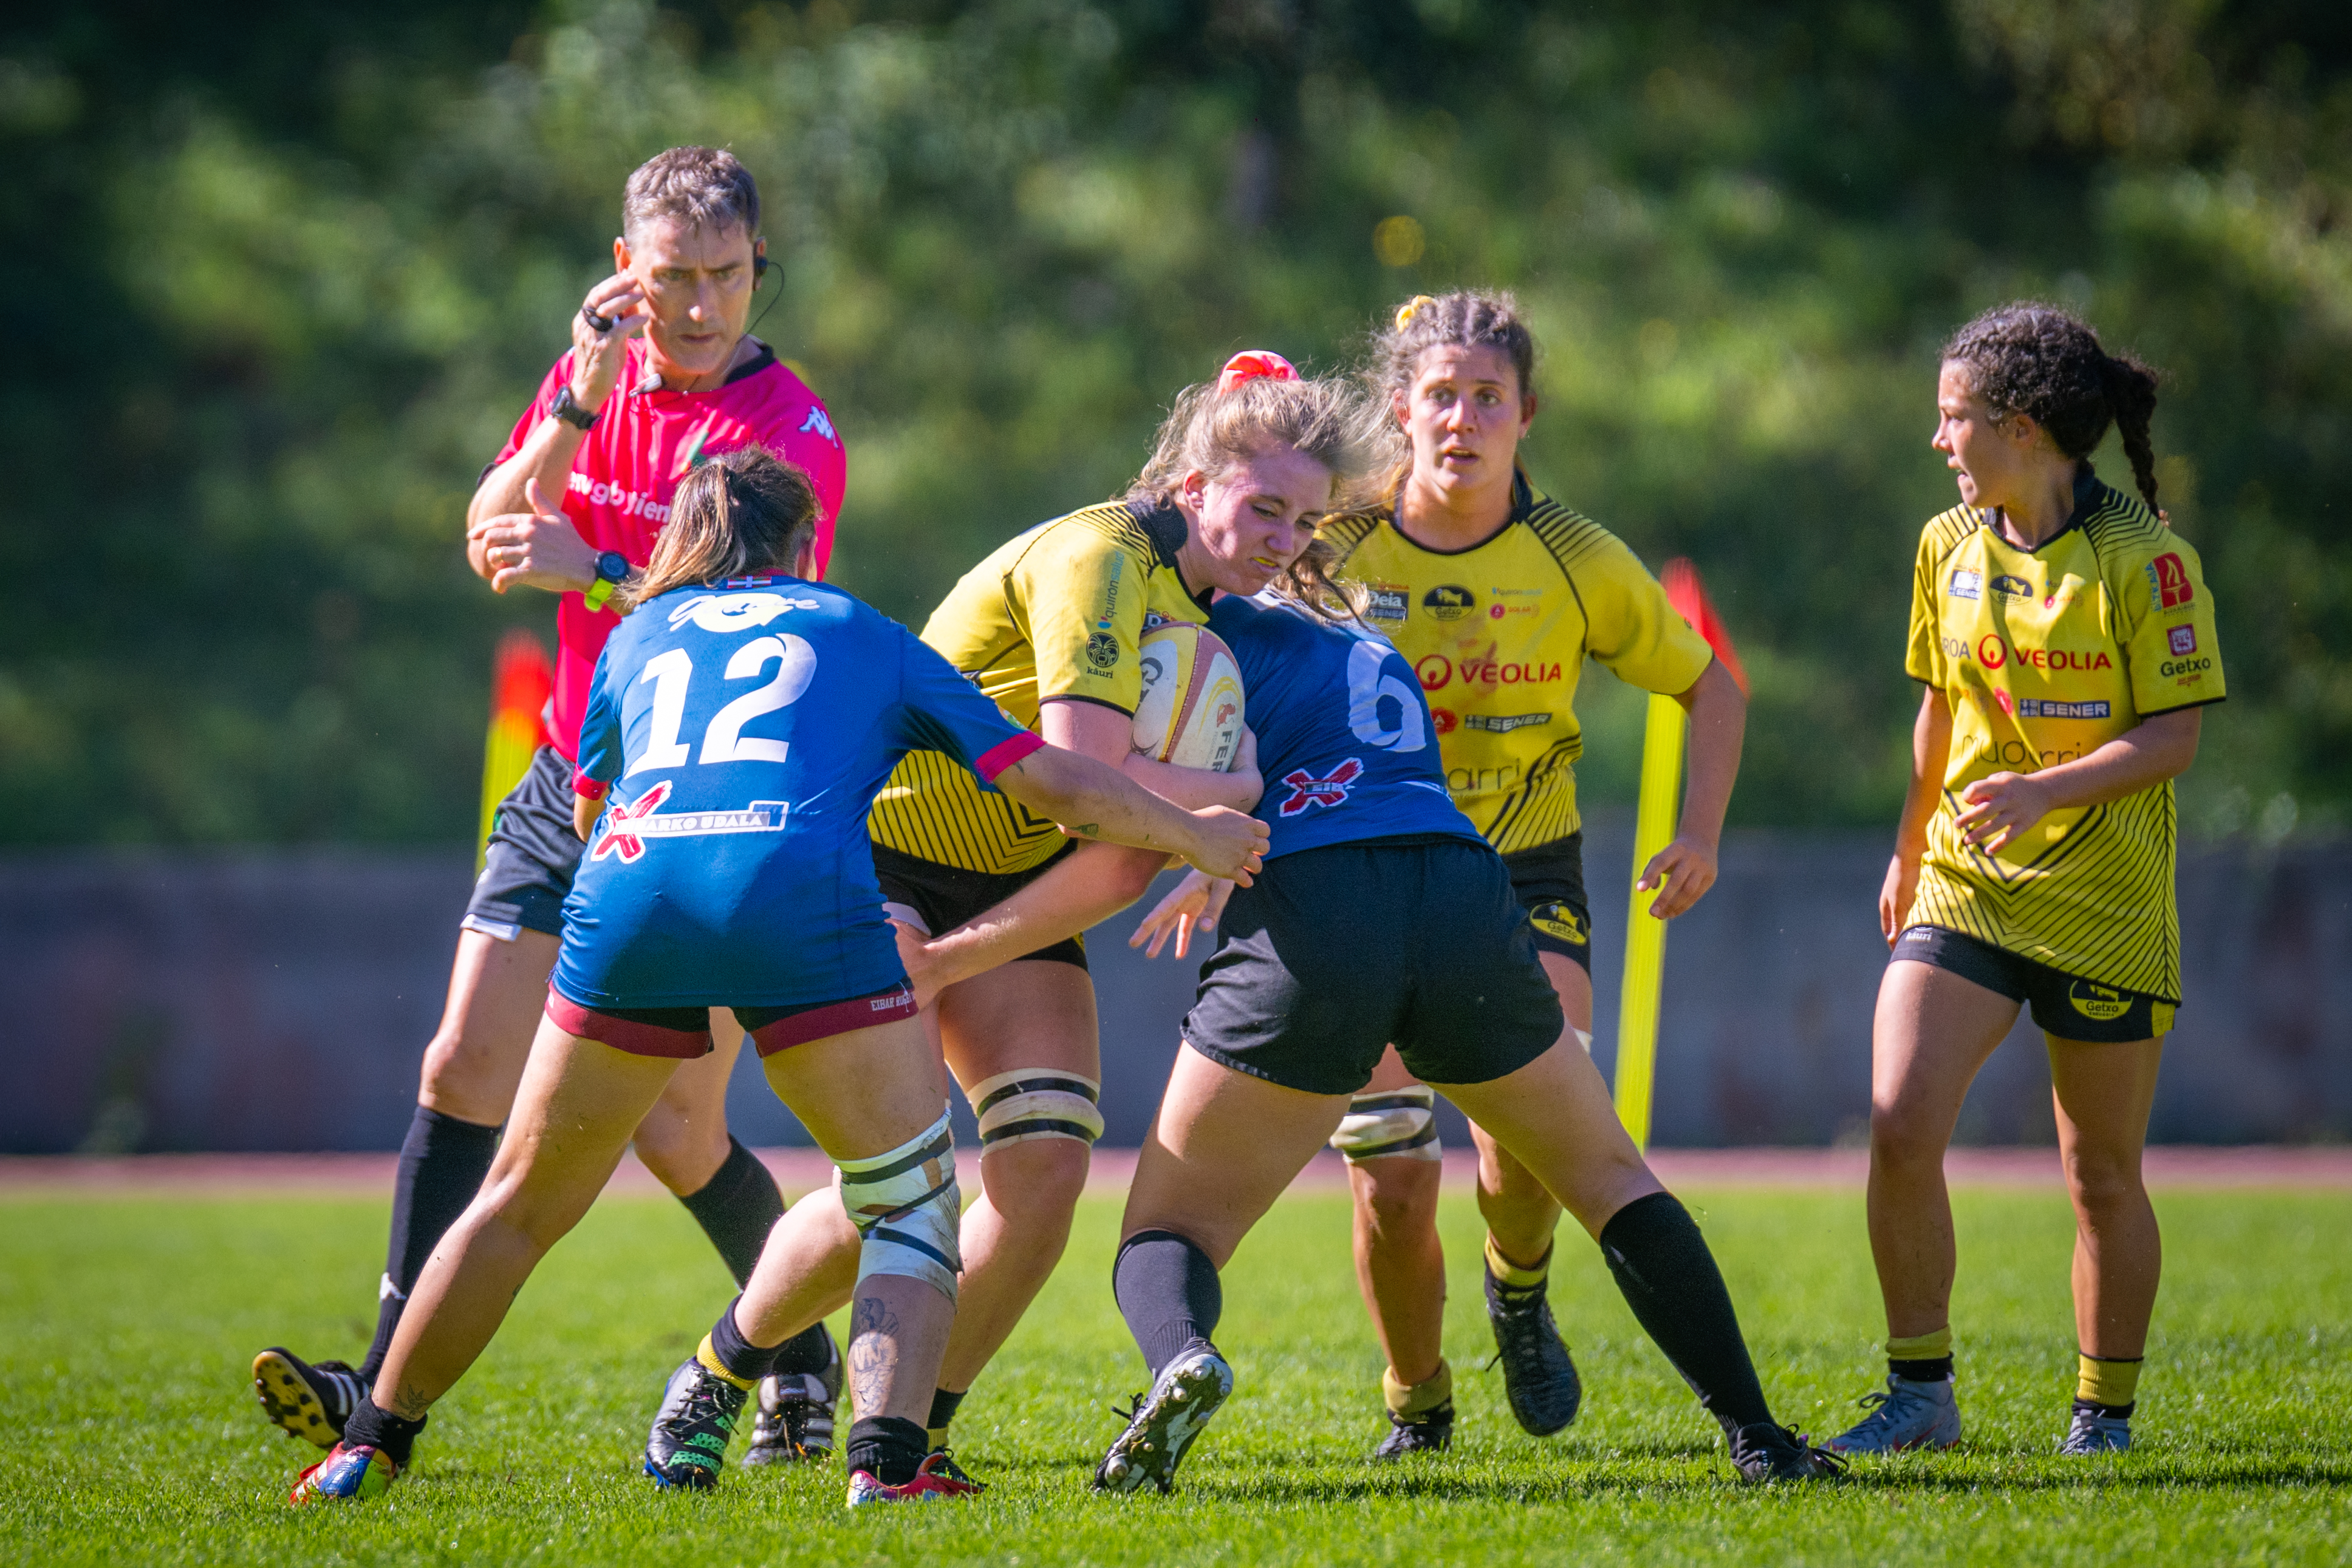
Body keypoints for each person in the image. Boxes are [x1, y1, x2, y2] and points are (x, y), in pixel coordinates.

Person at [285, 446, 1268, 1508]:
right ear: (807, 543)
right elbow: (1054, 781)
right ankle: (884, 1469)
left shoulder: (633, 636)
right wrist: (1193, 833)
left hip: (632, 901)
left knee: (519, 1201)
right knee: (910, 1200)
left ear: (687, 543)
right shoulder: (856, 630)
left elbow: (585, 811)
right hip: (803, 905)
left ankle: (370, 1444)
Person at [634, 353, 1381, 1488]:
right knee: (900, 1178)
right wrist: (1227, 801)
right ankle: (724, 1364)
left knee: (1040, 1173)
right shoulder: (1101, 559)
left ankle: (915, 1433)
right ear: (1191, 486)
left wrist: (963, 956)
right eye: (1264, 506)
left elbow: (1116, 856)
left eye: (1306, 519)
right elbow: (1095, 778)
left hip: (1012, 884)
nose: (1286, 538)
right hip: (881, 853)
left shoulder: (1208, 613)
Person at [250, 146, 855, 1467]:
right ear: (623, 273)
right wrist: (573, 411)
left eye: (723, 277)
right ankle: (378, 1382)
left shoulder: (786, 433)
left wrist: (598, 562)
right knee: (461, 1061)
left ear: (760, 269)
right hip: (565, 778)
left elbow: (766, 623)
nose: (697, 307)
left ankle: (794, 1360)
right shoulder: (599, 381)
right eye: (670, 279)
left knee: (683, 1131)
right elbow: (488, 525)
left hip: (690, 798)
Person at [1087, 503, 1836, 1493]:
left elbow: (1183, 778)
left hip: (1324, 912)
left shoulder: (1196, 630)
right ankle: (1760, 1438)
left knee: (1170, 1229)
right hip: (1461, 891)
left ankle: (1183, 1355)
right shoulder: (1367, 637)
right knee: (1613, 1179)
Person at [1147, 291, 1748, 1457]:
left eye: (1489, 398)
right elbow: (1232, 679)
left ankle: (1517, 1292)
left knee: (1530, 1136)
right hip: (1356, 868)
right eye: (1439, 395)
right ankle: (1417, 1401)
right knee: (1393, 1176)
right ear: (1398, 410)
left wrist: (1702, 832)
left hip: (1520, 869)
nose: (1462, 419)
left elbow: (1711, 684)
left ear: (1528, 415)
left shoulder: (1575, 556)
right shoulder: (1330, 537)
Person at [1825, 303, 2221, 1459]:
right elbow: (1938, 714)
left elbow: (2177, 736)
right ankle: (1920, 1397)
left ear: (2025, 427)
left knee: (2099, 1171)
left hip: (2105, 903)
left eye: (1953, 418)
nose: (1938, 440)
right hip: (1966, 879)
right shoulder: (1944, 545)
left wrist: (2048, 789)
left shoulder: (2147, 561)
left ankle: (2102, 1416)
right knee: (1899, 1122)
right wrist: (1907, 851)